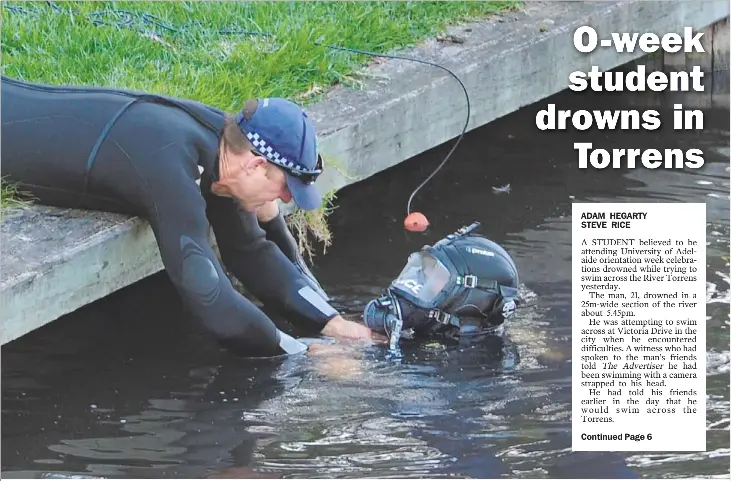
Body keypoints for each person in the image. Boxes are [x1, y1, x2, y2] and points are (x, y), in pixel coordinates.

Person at [1, 75, 383, 357]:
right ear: (255, 165)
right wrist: (304, 354)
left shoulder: (222, 145)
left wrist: (334, 324)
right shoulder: (168, 164)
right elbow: (211, 299)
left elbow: (250, 252)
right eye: (285, 187)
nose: (284, 199)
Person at [362, 222, 521, 346]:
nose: (423, 283)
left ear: (472, 299)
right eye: (426, 272)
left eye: (437, 276)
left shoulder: (467, 364)